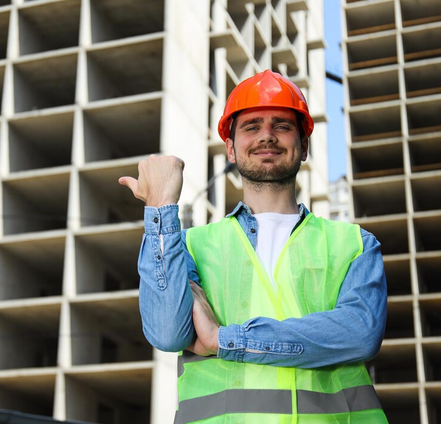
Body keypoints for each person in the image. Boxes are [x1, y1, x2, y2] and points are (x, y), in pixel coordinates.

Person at [119, 70, 388, 423]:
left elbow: (358, 334)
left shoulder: (353, 244)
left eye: (281, 125)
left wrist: (225, 340)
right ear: (230, 147)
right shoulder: (190, 245)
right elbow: (168, 334)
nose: (266, 136)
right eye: (251, 126)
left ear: (303, 145)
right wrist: (159, 207)